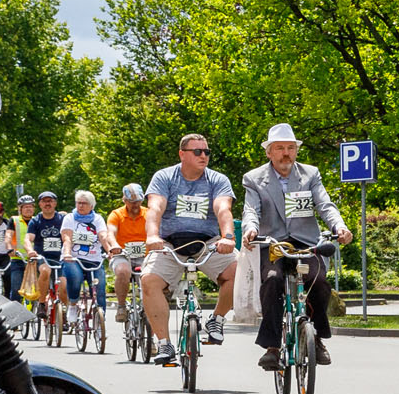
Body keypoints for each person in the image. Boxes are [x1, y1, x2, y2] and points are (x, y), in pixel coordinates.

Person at [241, 123, 352, 369]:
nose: (286, 153)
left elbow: (325, 205)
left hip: (306, 241)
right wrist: (251, 229)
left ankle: (316, 338)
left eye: (291, 148)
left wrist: (339, 227)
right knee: (272, 281)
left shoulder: (310, 174)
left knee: (318, 282)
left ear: (296, 151)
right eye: (280, 148)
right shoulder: (254, 179)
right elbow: (251, 210)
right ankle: (272, 347)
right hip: (273, 243)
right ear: (269, 152)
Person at [142, 133, 238, 365]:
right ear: (182, 154)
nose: (203, 156)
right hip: (169, 243)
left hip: (208, 243)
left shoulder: (217, 180)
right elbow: (155, 208)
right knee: (149, 281)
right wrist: (152, 236)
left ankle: (216, 320)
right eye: (197, 152)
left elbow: (223, 209)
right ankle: (164, 344)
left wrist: (228, 237)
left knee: (240, 271)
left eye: (206, 152)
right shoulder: (165, 177)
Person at [60, 190, 114, 331]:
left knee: (100, 287)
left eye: (84, 203)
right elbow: (67, 238)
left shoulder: (97, 219)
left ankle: (100, 320)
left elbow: (103, 236)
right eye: (78, 203)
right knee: (75, 278)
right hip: (73, 258)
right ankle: (73, 305)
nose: (81, 206)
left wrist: (109, 250)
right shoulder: (70, 218)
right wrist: (67, 253)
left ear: (91, 206)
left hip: (94, 259)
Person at [108, 183, 148, 322]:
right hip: (122, 254)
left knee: (152, 276)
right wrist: (114, 245)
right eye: (132, 202)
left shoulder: (148, 214)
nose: (135, 205)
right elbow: (110, 232)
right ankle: (121, 306)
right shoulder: (116, 214)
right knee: (123, 271)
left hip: (145, 255)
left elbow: (157, 231)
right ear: (124, 200)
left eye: (138, 201)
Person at [26, 191, 68, 321]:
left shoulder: (62, 219)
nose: (47, 204)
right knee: (45, 271)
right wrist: (30, 251)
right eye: (44, 201)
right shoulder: (35, 221)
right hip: (43, 257)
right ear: (40, 204)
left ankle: (65, 314)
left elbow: (68, 236)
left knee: (64, 285)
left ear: (55, 203)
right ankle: (42, 304)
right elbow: (28, 238)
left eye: (50, 201)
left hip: (60, 258)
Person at [13, 193, 38, 300]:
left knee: (38, 288)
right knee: (16, 289)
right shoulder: (14, 220)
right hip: (18, 259)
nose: (29, 209)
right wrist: (9, 248)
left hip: (35, 259)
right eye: (26, 207)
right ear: (20, 209)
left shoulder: (38, 220)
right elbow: (8, 236)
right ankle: (15, 309)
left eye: (31, 206)